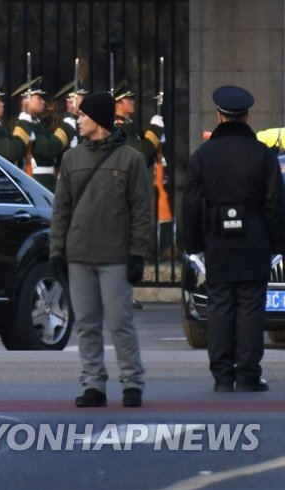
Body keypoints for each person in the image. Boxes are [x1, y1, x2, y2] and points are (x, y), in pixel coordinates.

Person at [50, 92, 153, 408]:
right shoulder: (71, 159)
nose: (77, 120)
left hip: (115, 256)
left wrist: (137, 253)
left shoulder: (131, 159)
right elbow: (61, 210)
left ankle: (132, 382)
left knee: (120, 322)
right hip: (79, 254)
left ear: (98, 121)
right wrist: (56, 252)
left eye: (82, 116)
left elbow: (141, 211)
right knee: (86, 324)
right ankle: (93, 384)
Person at [182, 86, 285, 393]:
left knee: (221, 307)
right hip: (254, 240)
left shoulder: (203, 156)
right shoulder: (262, 155)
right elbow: (275, 203)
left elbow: (191, 205)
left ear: (219, 116)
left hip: (217, 240)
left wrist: (195, 247)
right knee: (251, 309)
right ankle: (249, 374)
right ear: (247, 116)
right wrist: (278, 246)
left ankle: (223, 376)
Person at [10, 77, 65, 191]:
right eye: (38, 98)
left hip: (47, 179)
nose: (43, 101)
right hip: (36, 179)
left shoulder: (38, 122)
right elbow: (48, 149)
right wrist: (67, 129)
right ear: (26, 101)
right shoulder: (22, 124)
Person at [113, 81, 164, 166]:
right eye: (128, 99)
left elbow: (147, 156)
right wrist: (155, 129)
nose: (132, 102)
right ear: (118, 105)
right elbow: (142, 156)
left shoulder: (130, 126)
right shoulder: (120, 129)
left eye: (132, 99)